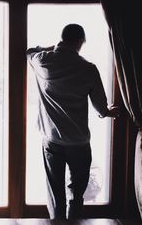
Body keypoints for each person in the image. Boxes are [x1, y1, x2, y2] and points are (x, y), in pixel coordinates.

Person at [26, 23, 119, 219]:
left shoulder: (43, 61)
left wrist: (53, 47)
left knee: (55, 191)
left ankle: (57, 221)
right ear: (80, 41)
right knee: (77, 194)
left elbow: (30, 51)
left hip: (52, 140)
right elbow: (101, 107)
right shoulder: (88, 69)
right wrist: (108, 112)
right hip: (79, 142)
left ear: (61, 39)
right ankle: (73, 221)